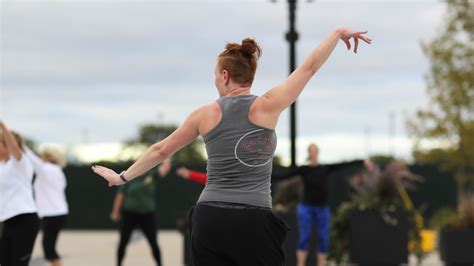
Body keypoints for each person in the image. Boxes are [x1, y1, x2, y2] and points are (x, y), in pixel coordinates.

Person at [92, 27, 371, 266]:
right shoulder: (268, 105)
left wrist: (122, 177)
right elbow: (308, 68)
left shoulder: (205, 114)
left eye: (215, 75)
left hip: (210, 219)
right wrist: (336, 34)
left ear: (225, 76)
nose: (215, 81)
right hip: (254, 221)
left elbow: (160, 151)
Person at [272, 143, 373, 266]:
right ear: (309, 153)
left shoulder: (324, 168)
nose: (314, 153)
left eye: (316, 151)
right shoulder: (304, 169)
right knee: (305, 237)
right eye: (312, 151)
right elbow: (284, 175)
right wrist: (266, 173)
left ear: (318, 153)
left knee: (323, 239)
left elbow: (343, 165)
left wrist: (362, 161)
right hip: (306, 207)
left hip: (322, 208)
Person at [110, 159, 171, 266]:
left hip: (147, 215)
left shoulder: (152, 175)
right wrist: (115, 212)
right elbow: (120, 196)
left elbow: (165, 168)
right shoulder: (129, 177)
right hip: (129, 214)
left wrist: (166, 156)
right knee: (123, 242)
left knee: (153, 242)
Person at [0, 121, 40, 266]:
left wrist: (3, 127)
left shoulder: (20, 163)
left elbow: (15, 149)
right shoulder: (2, 166)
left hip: (25, 220)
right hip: (8, 221)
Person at [25, 146, 69, 266]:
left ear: (46, 157)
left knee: (49, 250)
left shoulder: (48, 169)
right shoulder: (57, 170)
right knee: (49, 248)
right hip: (55, 213)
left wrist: (21, 146)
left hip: (53, 214)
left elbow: (33, 161)